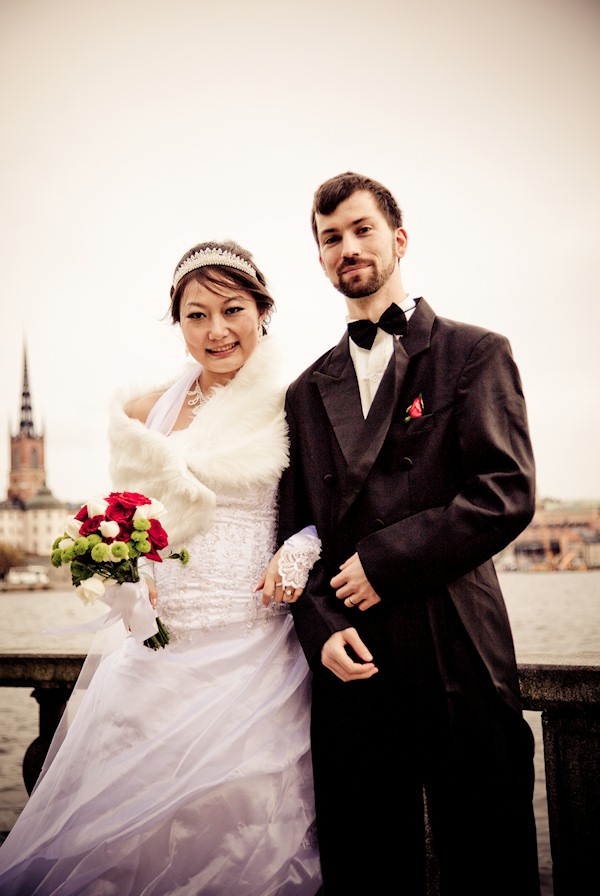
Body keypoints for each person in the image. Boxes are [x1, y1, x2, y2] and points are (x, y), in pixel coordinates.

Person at [0, 240, 323, 895]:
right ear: (177, 323)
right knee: (125, 829)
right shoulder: (148, 412)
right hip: (157, 649)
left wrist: (304, 545)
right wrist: (126, 570)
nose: (215, 330)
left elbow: (335, 505)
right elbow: (130, 516)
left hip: (256, 645)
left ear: (262, 311)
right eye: (196, 315)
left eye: (232, 310)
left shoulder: (297, 401)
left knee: (244, 826)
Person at [274, 172, 541, 895]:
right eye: (331, 237)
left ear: (398, 238)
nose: (348, 247)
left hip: (457, 644)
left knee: (489, 863)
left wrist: (384, 561)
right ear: (320, 257)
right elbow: (294, 533)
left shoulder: (475, 352)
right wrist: (321, 628)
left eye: (362, 230)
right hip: (353, 665)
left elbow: (505, 491)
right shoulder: (304, 392)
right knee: (365, 872)